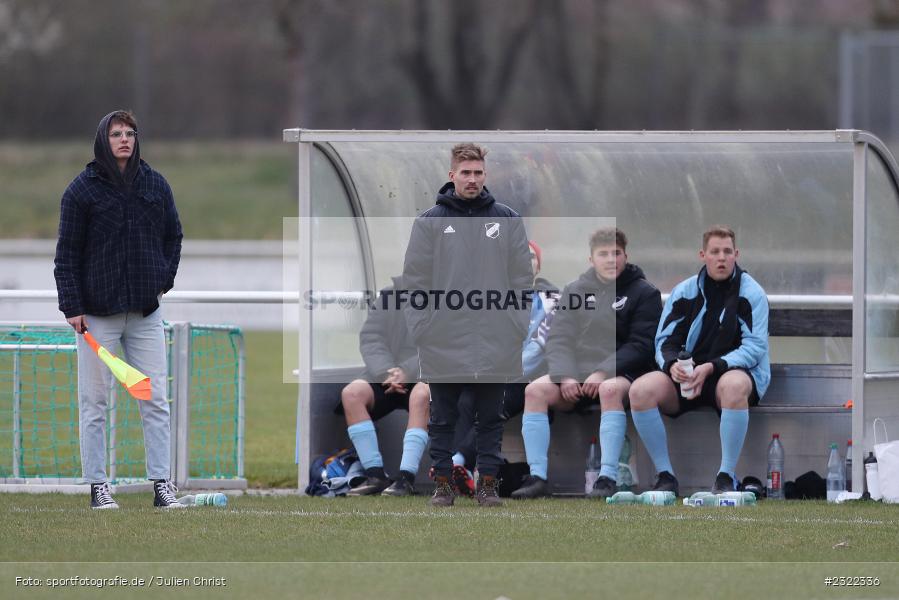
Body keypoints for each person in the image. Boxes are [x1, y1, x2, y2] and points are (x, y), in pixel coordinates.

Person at [54, 110, 183, 509]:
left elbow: (173, 236)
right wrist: (72, 306)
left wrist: (163, 280)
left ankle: (162, 485)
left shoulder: (155, 184)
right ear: (103, 140)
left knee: (154, 397)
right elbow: (66, 255)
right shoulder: (82, 191)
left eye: (130, 133)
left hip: (145, 315)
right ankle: (98, 487)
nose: (124, 139)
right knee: (95, 402)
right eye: (116, 134)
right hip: (96, 317)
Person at [402, 143, 532, 507]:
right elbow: (415, 281)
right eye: (465, 173)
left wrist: (516, 324)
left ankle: (487, 486)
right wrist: (423, 327)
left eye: (478, 173)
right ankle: (443, 486)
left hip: (495, 337)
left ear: (485, 176)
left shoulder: (507, 219)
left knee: (491, 417)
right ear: (452, 176)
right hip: (442, 336)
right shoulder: (430, 222)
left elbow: (523, 279)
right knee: (442, 418)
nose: (472, 179)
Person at [512, 227, 662, 499]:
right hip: (577, 375)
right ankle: (537, 478)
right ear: (591, 259)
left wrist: (603, 371)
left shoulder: (644, 292)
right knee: (534, 390)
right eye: (603, 254)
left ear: (625, 256)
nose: (610, 259)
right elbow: (558, 339)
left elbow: (641, 345)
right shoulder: (575, 290)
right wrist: (565, 376)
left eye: (616, 253)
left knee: (609, 390)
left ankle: (607, 478)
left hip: (621, 374)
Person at [628, 225, 770, 495]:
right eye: (715, 252)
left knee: (733, 386)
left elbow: (755, 348)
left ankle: (726, 477)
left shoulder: (752, 294)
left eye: (727, 252)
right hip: (689, 377)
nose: (721, 258)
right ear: (702, 255)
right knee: (640, 390)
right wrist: (672, 366)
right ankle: (665, 476)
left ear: (736, 254)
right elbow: (664, 341)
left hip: (730, 374)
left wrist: (711, 367)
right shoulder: (684, 291)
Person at [451, 240, 558, 496]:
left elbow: (539, 348)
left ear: (538, 267)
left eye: (531, 257)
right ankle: (464, 474)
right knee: (465, 400)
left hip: (529, 379)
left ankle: (456, 462)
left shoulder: (553, 299)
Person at [339, 276, 430, 497]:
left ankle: (405, 478)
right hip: (387, 374)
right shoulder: (390, 295)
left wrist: (407, 371)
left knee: (421, 394)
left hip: (427, 373)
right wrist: (386, 371)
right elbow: (371, 337)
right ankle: (375, 475)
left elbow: (444, 343)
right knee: (351, 394)